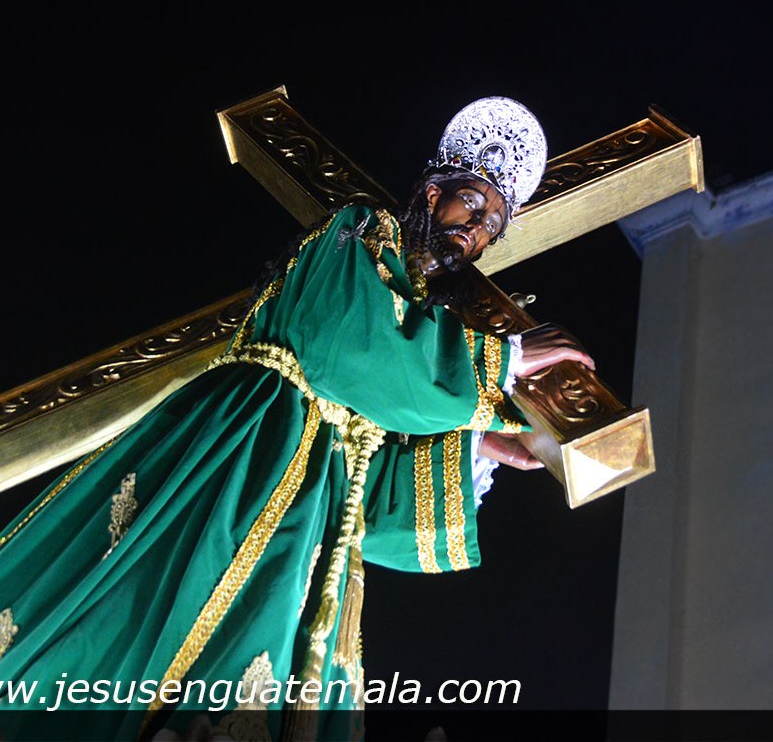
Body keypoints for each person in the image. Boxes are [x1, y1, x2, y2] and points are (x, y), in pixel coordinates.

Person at [0, 97, 594, 742]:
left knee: (263, 652)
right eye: (472, 205)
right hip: (250, 440)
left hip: (315, 495)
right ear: (432, 194)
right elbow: (347, 349)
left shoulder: (421, 318)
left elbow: (372, 487)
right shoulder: (361, 229)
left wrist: (479, 448)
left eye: (491, 226)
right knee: (161, 601)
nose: (475, 228)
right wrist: (506, 358)